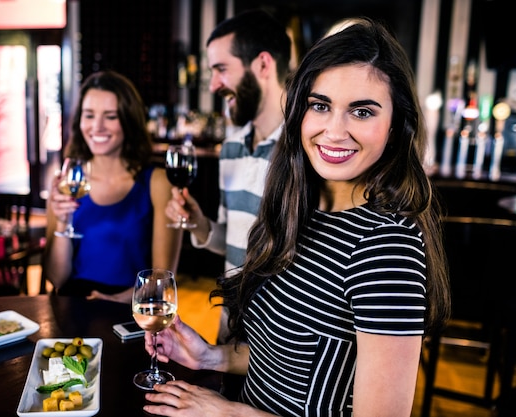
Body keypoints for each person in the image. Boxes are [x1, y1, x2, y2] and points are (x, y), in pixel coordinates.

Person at [142, 18, 451, 416]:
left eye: (361, 112)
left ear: (395, 126)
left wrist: (230, 413)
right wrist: (210, 357)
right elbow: (288, 365)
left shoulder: (386, 248)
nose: (334, 131)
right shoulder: (298, 210)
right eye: (320, 106)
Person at [165, 9, 292, 342]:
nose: (215, 84)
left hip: (283, 343)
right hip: (230, 330)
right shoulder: (232, 146)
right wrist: (198, 223)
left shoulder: (304, 150)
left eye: (222, 69)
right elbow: (234, 245)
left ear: (263, 64)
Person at [43, 70, 183, 303]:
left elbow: (163, 280)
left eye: (110, 116)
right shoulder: (66, 183)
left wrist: (119, 300)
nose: (97, 127)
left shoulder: (158, 182)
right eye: (89, 115)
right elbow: (57, 279)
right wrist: (62, 223)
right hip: (73, 310)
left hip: (132, 312)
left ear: (129, 121)